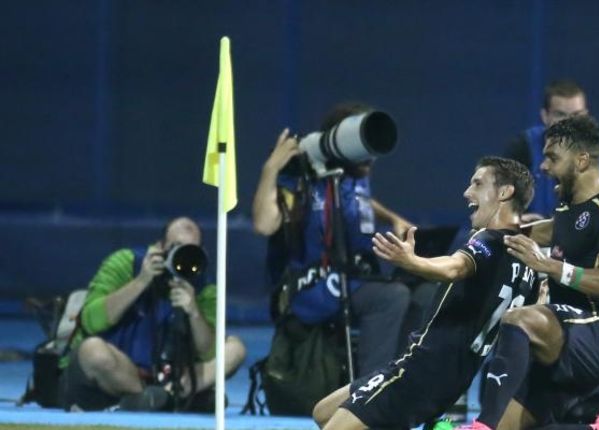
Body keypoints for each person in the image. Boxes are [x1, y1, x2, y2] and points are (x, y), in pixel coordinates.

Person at [312, 156, 540, 430]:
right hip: (450, 378)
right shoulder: (528, 261)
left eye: (478, 183)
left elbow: (456, 266)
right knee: (323, 412)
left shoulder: (487, 239)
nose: (467, 192)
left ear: (504, 193)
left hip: (419, 373)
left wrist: (413, 262)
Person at [461, 116, 599, 430]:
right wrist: (495, 232)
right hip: (563, 336)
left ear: (582, 160)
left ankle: (481, 427)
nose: (542, 166)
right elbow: (544, 232)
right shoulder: (569, 208)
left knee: (518, 319)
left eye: (552, 157)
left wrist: (549, 267)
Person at [252, 102, 420, 377]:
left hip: (352, 279)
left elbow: (359, 200)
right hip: (312, 287)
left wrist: (392, 218)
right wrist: (271, 168)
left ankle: (404, 385)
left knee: (421, 293)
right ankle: (368, 394)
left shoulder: (350, 177)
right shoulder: (303, 180)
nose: (370, 158)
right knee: (390, 298)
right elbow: (263, 224)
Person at [58, 217, 247, 412]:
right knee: (92, 351)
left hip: (170, 377)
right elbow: (91, 321)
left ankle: (166, 396)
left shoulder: (204, 288)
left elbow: (209, 352)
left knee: (235, 349)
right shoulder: (126, 263)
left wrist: (194, 312)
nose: (182, 256)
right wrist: (141, 281)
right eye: (176, 247)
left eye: (191, 249)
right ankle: (163, 399)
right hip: (120, 371)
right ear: (160, 246)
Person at [504, 80, 599, 220]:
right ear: (545, 116)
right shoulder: (523, 148)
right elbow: (502, 205)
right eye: (560, 115)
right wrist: (516, 219)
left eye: (577, 115)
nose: (570, 123)